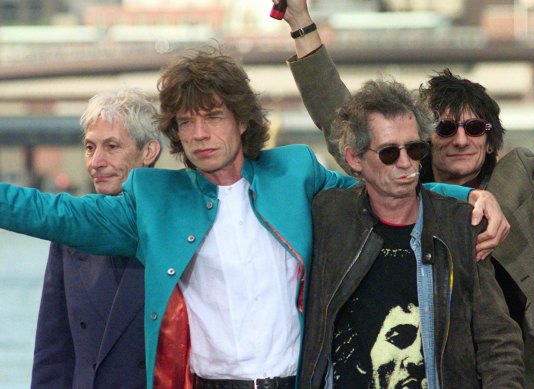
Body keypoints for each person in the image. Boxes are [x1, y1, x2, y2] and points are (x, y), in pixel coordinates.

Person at [0, 48, 497, 389]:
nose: (199, 133)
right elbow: (51, 211)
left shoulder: (295, 172)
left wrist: (470, 199)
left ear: (241, 119)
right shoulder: (154, 197)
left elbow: (386, 182)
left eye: (212, 116)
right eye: (186, 122)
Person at [275, 0, 534, 386]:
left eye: (474, 128)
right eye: (445, 128)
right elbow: (340, 117)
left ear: (491, 141)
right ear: (425, 139)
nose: (460, 139)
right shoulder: (400, 186)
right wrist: (301, 23)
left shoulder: (522, 184)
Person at [302, 78, 524, 389]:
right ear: (354, 159)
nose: (406, 163)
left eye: (415, 149)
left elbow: (498, 342)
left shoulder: (459, 226)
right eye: (389, 153)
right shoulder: (327, 217)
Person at [31, 88, 163, 389]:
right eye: (90, 147)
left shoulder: (176, 228)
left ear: (149, 152)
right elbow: (53, 348)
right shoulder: (71, 231)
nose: (96, 162)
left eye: (112, 146)